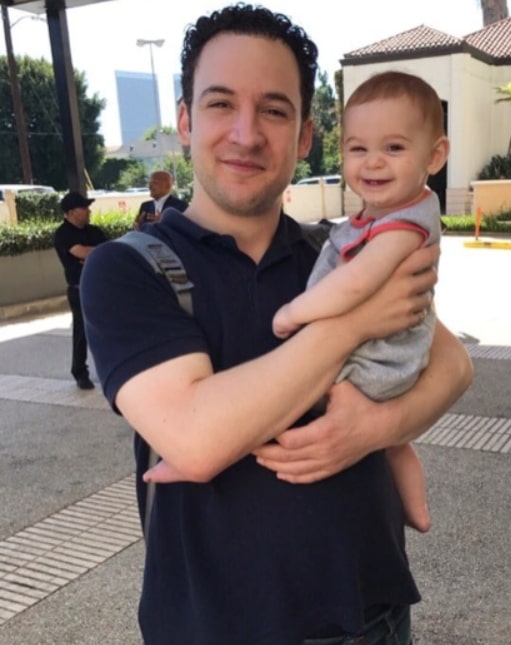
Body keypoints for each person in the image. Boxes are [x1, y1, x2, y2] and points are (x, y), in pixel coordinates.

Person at [81, 5, 473, 644]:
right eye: (219, 104)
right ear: (184, 120)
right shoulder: (130, 270)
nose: (245, 133)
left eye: (273, 109)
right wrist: (350, 327)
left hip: (372, 616)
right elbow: (198, 438)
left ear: (304, 136)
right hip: (213, 628)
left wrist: (370, 429)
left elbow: (453, 364)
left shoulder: (337, 250)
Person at [272, 71, 450, 534]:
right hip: (393, 361)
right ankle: (419, 512)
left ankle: (210, 450)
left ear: (435, 155)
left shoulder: (403, 226)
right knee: (396, 444)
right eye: (358, 148)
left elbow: (355, 283)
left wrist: (294, 312)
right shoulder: (390, 211)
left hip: (377, 362)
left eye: (394, 148)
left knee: (285, 391)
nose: (373, 163)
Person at [53, 191, 106, 389]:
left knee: (108, 328)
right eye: (84, 208)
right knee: (82, 332)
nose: (88, 211)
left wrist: (91, 254)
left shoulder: (94, 231)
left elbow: (108, 250)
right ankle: (80, 372)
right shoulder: (63, 234)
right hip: (79, 288)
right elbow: (81, 252)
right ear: (72, 212)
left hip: (102, 286)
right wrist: (93, 252)